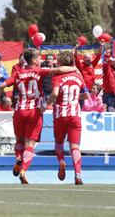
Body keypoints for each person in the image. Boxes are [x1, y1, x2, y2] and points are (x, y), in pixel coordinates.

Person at [0, 48, 77, 184]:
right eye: (39, 58)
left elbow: (1, 85)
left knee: (19, 141)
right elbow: (58, 70)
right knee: (30, 144)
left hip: (19, 111)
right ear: (33, 60)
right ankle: (23, 171)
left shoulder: (18, 72)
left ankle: (18, 158)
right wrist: (73, 69)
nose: (41, 60)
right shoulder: (38, 70)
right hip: (34, 111)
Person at [45, 51, 89, 185]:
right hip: (75, 114)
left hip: (60, 114)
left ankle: (62, 161)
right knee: (75, 147)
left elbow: (55, 93)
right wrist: (75, 97)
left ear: (60, 63)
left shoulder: (57, 76)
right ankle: (78, 174)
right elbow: (86, 95)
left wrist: (46, 104)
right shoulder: (78, 76)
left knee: (59, 143)